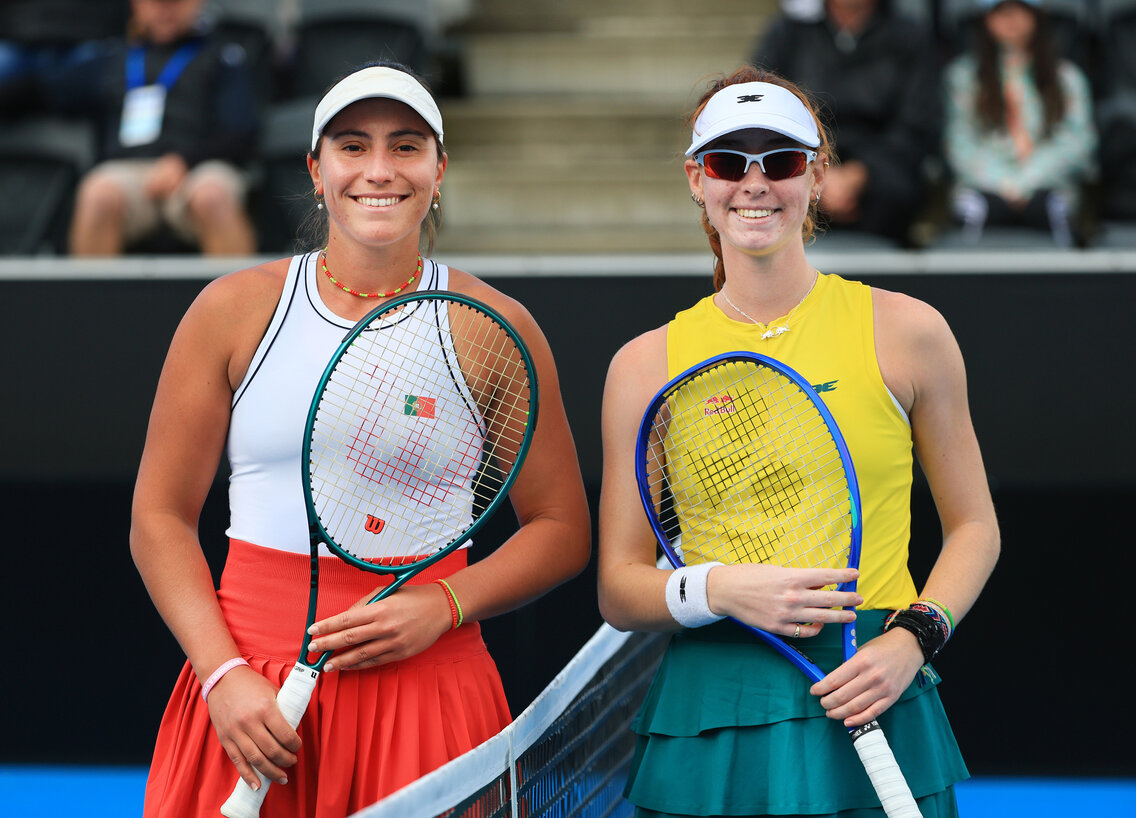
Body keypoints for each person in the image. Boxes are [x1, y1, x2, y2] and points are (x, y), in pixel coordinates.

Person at [130, 61, 591, 817]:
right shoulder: (229, 310)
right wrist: (222, 675)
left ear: (439, 171)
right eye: (353, 146)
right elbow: (158, 518)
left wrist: (444, 603)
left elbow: (562, 528)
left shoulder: (496, 328)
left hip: (431, 690)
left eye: (406, 146)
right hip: (248, 695)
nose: (380, 170)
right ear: (317, 171)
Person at [597, 65, 1000, 817]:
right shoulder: (643, 367)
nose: (755, 183)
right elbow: (619, 587)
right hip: (710, 704)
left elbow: (975, 526)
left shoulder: (910, 331)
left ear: (816, 178)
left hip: (876, 677)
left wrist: (913, 638)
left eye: (780, 161)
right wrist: (719, 589)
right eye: (729, 162)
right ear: (697, 180)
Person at [24, 0, 260, 256]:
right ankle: (89, 285)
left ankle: (244, 284)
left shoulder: (224, 56)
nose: (165, 10)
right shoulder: (112, 59)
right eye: (156, 3)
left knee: (212, 197)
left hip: (200, 167)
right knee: (97, 195)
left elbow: (241, 133)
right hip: (128, 170)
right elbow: (43, 91)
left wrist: (184, 161)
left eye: (175, 3)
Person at [750, 0, 941, 247]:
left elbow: (918, 122)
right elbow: (763, 107)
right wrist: (816, 173)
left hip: (885, 171)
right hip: (802, 162)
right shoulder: (788, 33)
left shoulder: (909, 36)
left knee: (894, 193)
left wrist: (859, 174)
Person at [942, 0, 1096, 247]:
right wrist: (1004, 184)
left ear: (1037, 15)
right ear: (985, 18)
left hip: (1048, 185)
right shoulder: (963, 77)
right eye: (1000, 11)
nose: (1011, 19)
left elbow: (1077, 142)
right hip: (984, 187)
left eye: (1020, 10)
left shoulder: (1067, 78)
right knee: (976, 210)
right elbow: (959, 144)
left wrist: (1027, 181)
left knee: (1052, 208)